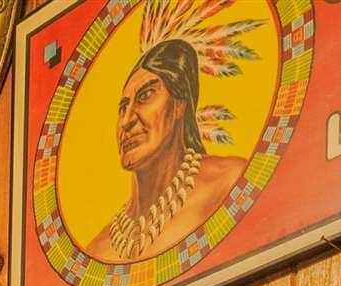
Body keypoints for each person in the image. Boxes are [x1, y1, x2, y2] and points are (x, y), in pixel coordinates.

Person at [95, 33, 254, 263]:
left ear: (180, 105)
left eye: (145, 96)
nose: (127, 120)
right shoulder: (99, 250)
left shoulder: (232, 183)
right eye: (122, 107)